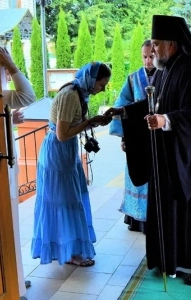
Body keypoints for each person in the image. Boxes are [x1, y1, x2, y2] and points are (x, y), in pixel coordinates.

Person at [104, 15, 191, 286]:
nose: (152, 50)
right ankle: (168, 260)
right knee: (167, 212)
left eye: (156, 44)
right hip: (168, 159)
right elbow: (153, 104)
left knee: (190, 215)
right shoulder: (166, 69)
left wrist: (165, 120)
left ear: (172, 44)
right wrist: (124, 111)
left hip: (189, 160)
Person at [31, 62, 112, 267]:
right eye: (101, 85)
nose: (101, 89)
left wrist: (93, 122)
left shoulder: (78, 92)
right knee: (64, 202)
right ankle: (70, 252)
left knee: (69, 200)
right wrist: (89, 122)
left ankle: (68, 249)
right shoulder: (70, 95)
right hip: (57, 153)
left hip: (65, 152)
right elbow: (62, 133)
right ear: (92, 80)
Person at [109, 40, 158, 233]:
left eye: (151, 57)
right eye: (144, 57)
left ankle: (154, 217)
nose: (148, 61)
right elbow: (123, 104)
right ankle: (136, 218)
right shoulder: (132, 78)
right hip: (136, 135)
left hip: (157, 133)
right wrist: (124, 137)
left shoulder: (165, 76)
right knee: (136, 174)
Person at [1, 46, 35, 300]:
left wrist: (7, 121)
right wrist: (12, 66)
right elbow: (27, 95)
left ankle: (13, 280)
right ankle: (11, 286)